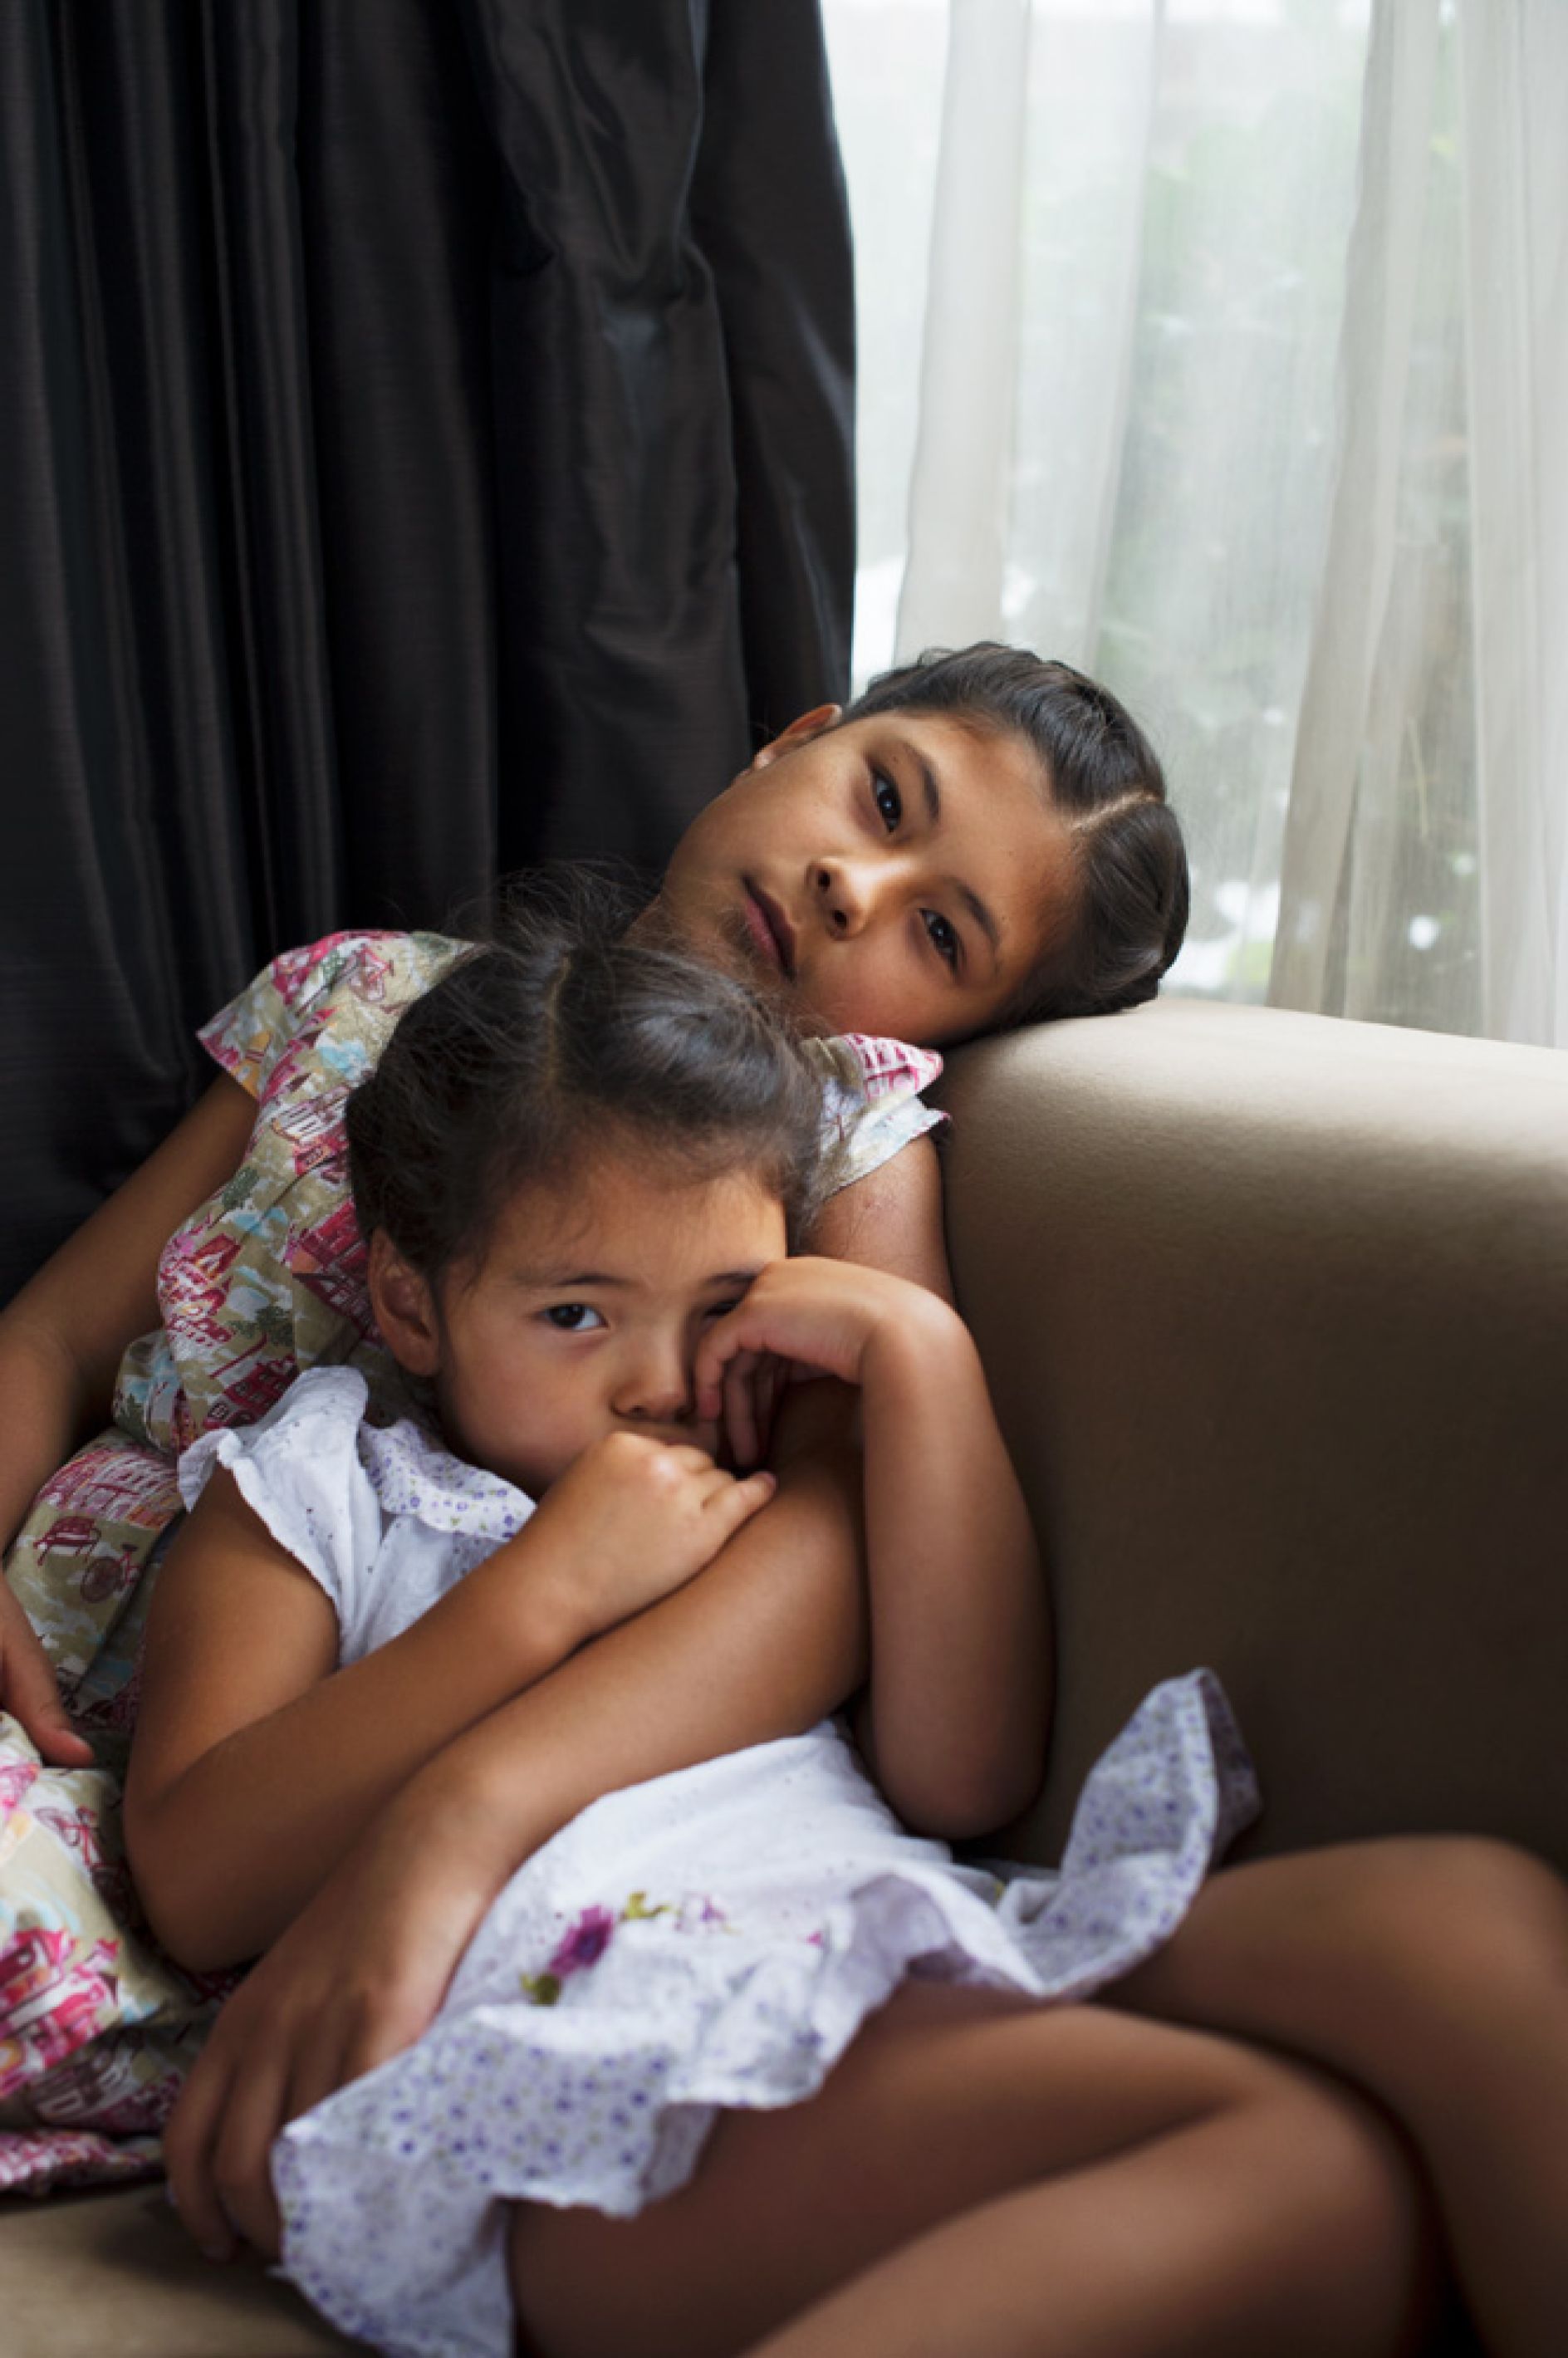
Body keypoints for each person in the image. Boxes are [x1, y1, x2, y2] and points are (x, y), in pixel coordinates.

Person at [125, 914, 1399, 2358]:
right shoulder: (328, 1487)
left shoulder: (773, 1490)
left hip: (854, 1941)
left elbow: (964, 1775)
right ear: (413, 1302)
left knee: (1467, 1927)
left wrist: (920, 1355)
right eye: (575, 1312)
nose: (660, 1382)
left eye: (721, 1304)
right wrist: (541, 1592)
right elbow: (197, 1870)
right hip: (579, 2059)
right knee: (1310, 2177)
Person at [0, 642, 1184, 1767]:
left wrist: (474, 1806)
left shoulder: (838, 1140)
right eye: (881, 800)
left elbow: (831, 1549)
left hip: (325, 1756)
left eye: (938, 932)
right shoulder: (357, 992)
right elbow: (52, 1338)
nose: (849, 887)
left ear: (952, 1030)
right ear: (793, 741)